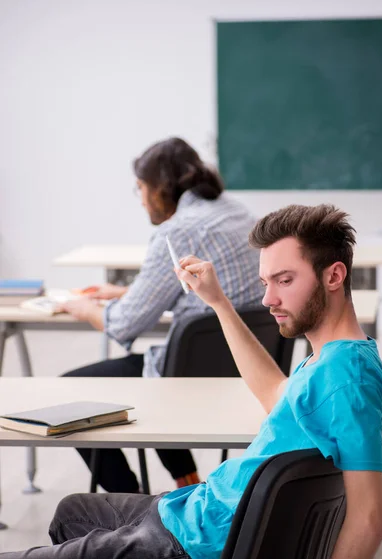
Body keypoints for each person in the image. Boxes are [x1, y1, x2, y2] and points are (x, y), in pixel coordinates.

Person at [1, 204, 382, 559]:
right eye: (264, 282)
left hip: (196, 549)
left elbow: (370, 519)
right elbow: (275, 392)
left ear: (334, 276)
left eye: (284, 280)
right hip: (197, 511)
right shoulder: (332, 360)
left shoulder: (346, 378)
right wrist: (218, 302)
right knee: (71, 512)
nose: (267, 299)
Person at [58, 137, 263, 492]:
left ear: (160, 187)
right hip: (246, 373)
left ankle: (133, 506)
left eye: (140, 187)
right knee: (159, 369)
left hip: (187, 382)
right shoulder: (237, 211)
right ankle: (187, 483)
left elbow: (124, 323)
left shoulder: (179, 229)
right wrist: (128, 293)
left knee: (70, 391)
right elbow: (209, 292)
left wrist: (84, 307)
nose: (140, 198)